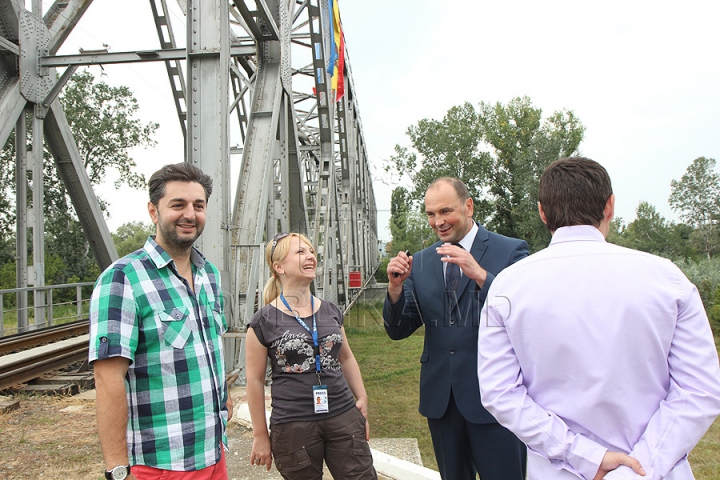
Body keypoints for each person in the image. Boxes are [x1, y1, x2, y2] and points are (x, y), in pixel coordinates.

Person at [478, 157, 720, 480]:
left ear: (542, 213)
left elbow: (499, 392)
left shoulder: (506, 288)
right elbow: (700, 389)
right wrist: (641, 467)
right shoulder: (667, 280)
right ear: (610, 206)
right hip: (657, 473)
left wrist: (583, 456)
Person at [89, 163, 233, 480]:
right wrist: (117, 469)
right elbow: (108, 380)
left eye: (199, 205)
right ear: (154, 211)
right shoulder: (122, 279)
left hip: (212, 452)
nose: (190, 214)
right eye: (177, 205)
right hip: (161, 464)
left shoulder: (209, 275)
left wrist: (223, 400)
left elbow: (208, 349)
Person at [384, 177, 529, 480]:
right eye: (430, 214)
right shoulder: (421, 261)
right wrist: (395, 289)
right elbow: (398, 330)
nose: (438, 222)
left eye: (445, 211)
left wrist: (479, 275)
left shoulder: (512, 251)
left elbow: (525, 315)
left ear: (469, 206)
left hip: (496, 399)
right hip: (442, 403)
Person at [245, 232, 377, 480]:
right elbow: (254, 380)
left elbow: (346, 357)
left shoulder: (330, 311)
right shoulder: (263, 321)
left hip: (342, 415)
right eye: (300, 252)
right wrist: (260, 435)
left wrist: (362, 398)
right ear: (279, 266)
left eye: (311, 252)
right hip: (294, 425)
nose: (310, 257)